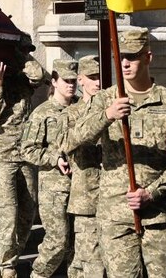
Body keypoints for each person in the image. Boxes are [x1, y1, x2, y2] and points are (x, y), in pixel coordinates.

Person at [65, 28, 166, 278]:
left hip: (158, 215)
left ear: (148, 57)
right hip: (116, 216)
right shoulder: (104, 100)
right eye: (120, 56)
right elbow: (72, 140)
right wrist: (107, 116)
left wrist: (151, 192)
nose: (124, 63)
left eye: (132, 56)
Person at [0, 35, 46, 278]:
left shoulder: (23, 76)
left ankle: (11, 255)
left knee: (28, 211)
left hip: (26, 153)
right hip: (1, 154)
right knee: (6, 213)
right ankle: (6, 265)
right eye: (19, 50)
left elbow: (39, 76)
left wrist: (20, 55)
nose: (23, 54)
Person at [21, 59, 79, 278]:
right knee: (58, 240)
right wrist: (54, 158)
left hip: (81, 187)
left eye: (74, 81)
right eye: (66, 81)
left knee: (78, 244)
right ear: (54, 81)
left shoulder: (81, 107)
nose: (71, 85)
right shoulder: (42, 113)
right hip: (55, 189)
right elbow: (27, 150)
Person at [61, 55, 104, 278]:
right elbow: (70, 143)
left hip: (114, 197)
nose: (98, 82)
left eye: (101, 77)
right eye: (92, 77)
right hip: (87, 198)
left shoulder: (115, 106)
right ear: (80, 80)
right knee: (89, 263)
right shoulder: (71, 113)